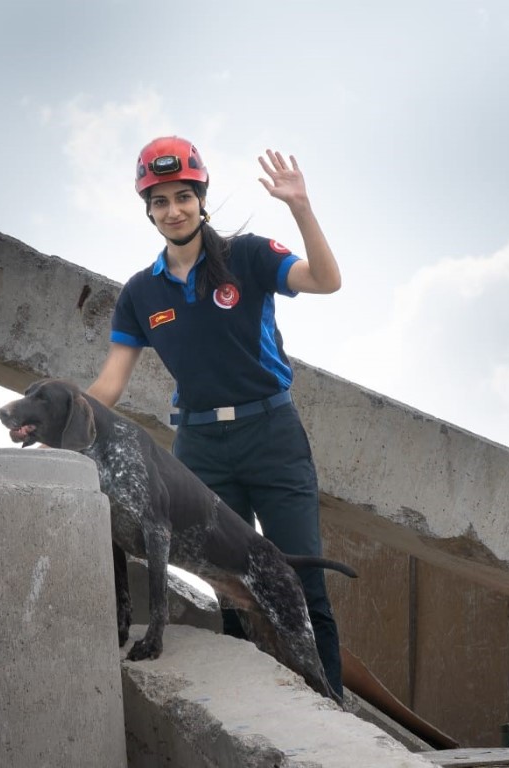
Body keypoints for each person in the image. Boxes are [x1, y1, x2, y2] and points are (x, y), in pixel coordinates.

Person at [87, 135, 344, 696]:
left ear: (201, 199)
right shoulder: (139, 293)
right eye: (159, 201)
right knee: (229, 583)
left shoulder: (247, 257)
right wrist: (55, 421)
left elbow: (327, 281)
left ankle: (333, 711)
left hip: (271, 434)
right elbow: (110, 383)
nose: (173, 210)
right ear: (148, 211)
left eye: (183, 196)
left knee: (301, 583)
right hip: (200, 451)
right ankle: (258, 704)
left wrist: (301, 208)